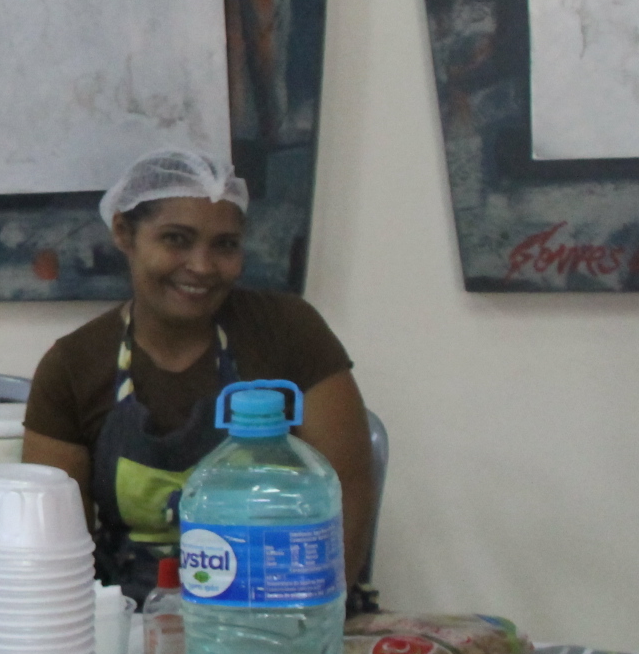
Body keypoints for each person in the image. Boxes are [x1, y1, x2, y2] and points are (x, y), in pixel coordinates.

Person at [21, 149, 374, 600]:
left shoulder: (289, 332)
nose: (203, 266)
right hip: (129, 613)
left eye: (224, 245)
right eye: (176, 239)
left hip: (278, 605)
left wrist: (309, 618)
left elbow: (347, 495)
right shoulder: (73, 365)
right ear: (124, 233)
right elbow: (54, 546)